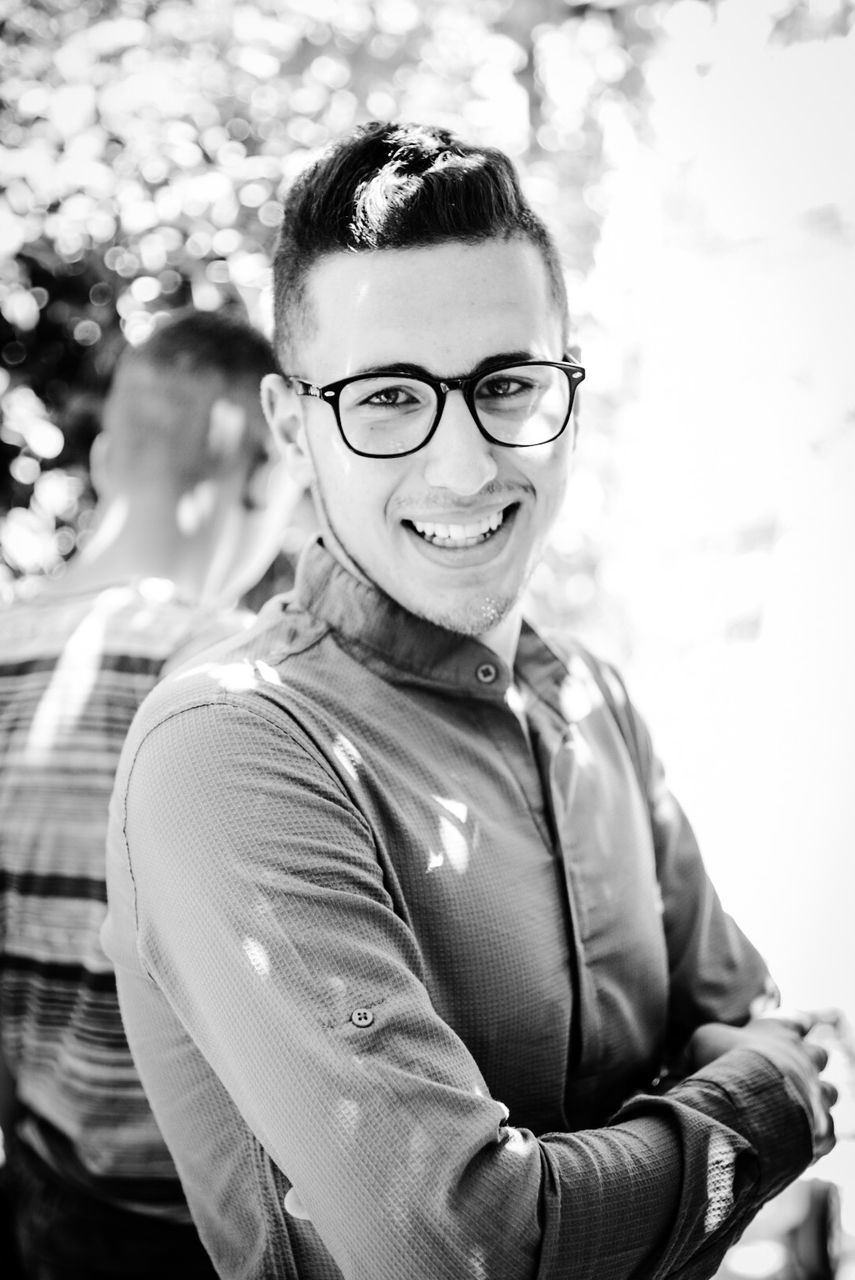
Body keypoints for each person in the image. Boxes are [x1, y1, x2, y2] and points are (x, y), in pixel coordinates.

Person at [101, 123, 837, 1280]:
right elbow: (461, 1245)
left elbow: (752, 1008)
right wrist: (760, 1111)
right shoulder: (231, 748)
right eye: (388, 396)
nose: (463, 466)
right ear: (293, 425)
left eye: (506, 383)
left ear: (568, 395)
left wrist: (665, 1144)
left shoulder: (593, 698)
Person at [0, 306, 303, 1278]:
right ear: (264, 470)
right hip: (190, 1230)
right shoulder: (226, 671)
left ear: (102, 457)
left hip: (40, 1195)